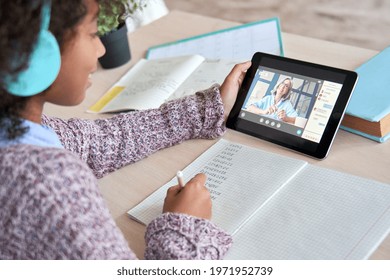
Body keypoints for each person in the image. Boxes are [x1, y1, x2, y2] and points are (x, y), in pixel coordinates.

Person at [0, 0, 251, 259]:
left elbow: (99, 142)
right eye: (93, 34)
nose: (100, 50)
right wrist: (185, 228)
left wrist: (207, 109)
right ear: (35, 53)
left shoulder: (16, 126)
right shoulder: (49, 185)